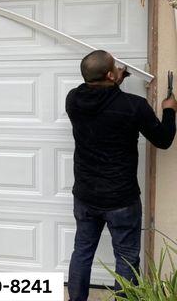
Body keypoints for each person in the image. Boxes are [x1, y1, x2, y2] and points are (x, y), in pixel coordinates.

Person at [66, 50, 177, 301]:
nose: (119, 69)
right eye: (115, 67)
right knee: (127, 257)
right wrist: (170, 111)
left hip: (85, 196)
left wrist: (114, 80)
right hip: (121, 200)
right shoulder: (133, 106)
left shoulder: (73, 99)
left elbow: (99, 98)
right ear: (109, 75)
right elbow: (163, 140)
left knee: (82, 251)